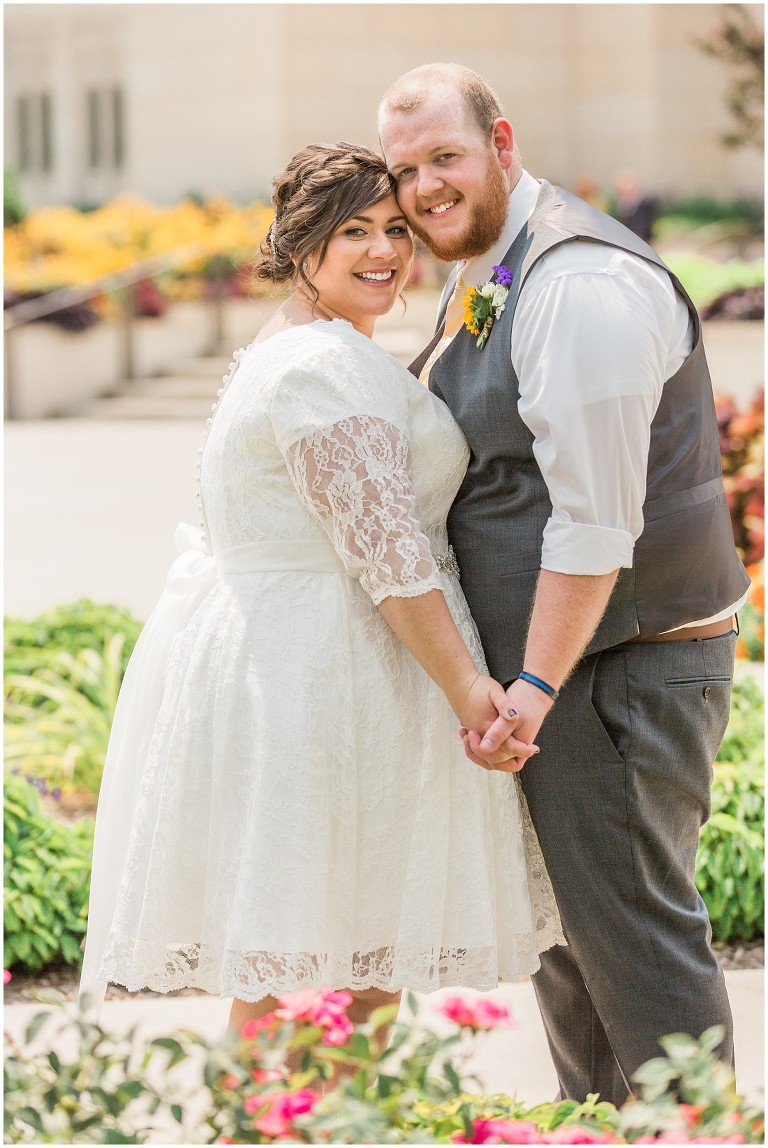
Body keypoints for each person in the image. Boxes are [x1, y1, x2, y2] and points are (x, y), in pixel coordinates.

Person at [79, 142, 563, 1034]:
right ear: (302, 244)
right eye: (355, 232)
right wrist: (470, 696)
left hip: (324, 669)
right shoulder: (319, 370)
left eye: (394, 230)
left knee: (351, 973)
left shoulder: (319, 347)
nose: (384, 250)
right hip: (321, 684)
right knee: (309, 977)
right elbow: (389, 554)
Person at [378, 63, 749, 1106]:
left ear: (502, 143)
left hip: (615, 674)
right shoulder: (496, 263)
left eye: (444, 157)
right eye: (404, 170)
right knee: (571, 954)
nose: (423, 188)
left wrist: (531, 688)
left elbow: (592, 527)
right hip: (558, 684)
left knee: (636, 952)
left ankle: (697, 1135)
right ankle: (599, 1134)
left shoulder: (579, 284)